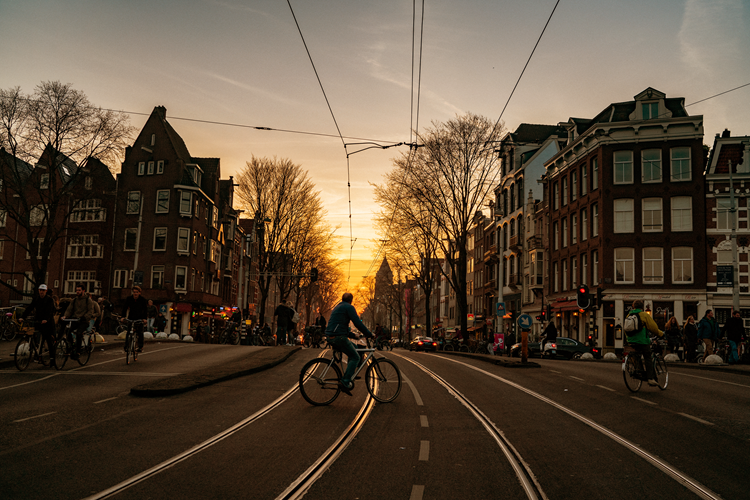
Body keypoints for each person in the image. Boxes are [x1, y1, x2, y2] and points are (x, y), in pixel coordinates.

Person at [325, 292, 373, 395]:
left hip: (331, 336)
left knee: (355, 348)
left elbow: (340, 326)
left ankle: (350, 373)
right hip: (339, 337)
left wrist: (353, 335)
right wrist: (368, 333)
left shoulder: (338, 307)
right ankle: (345, 380)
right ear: (351, 300)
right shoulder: (349, 307)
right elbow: (357, 322)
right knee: (355, 357)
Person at [625, 300, 664, 386]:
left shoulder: (629, 315)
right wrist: (661, 334)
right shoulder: (644, 315)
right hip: (642, 341)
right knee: (648, 356)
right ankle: (650, 378)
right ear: (642, 307)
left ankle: (639, 371)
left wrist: (629, 339)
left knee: (637, 354)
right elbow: (653, 328)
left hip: (631, 341)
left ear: (633, 306)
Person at [20, 284, 57, 362]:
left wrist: (46, 319)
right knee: (30, 333)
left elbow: (50, 311)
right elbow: (30, 307)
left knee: (48, 338)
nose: (41, 292)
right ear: (38, 291)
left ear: (46, 291)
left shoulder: (49, 300)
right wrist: (23, 317)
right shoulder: (36, 299)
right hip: (38, 320)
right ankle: (36, 351)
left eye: (43, 290)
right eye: (40, 290)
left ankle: (52, 358)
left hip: (47, 322)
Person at [62, 284, 97, 360]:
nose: (77, 292)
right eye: (77, 290)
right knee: (68, 331)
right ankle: (71, 346)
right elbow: (69, 309)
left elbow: (90, 311)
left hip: (84, 321)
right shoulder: (74, 300)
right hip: (75, 319)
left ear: (83, 291)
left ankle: (78, 351)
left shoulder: (88, 300)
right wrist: (65, 316)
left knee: (79, 333)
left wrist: (84, 317)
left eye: (79, 290)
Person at [121, 286, 148, 352]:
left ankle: (140, 347)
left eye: (136, 292)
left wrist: (144, 318)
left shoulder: (142, 300)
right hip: (131, 317)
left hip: (139, 318)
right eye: (134, 292)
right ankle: (127, 346)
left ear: (139, 293)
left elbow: (145, 310)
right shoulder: (129, 299)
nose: (135, 294)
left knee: (140, 333)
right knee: (128, 333)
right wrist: (123, 317)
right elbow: (125, 308)